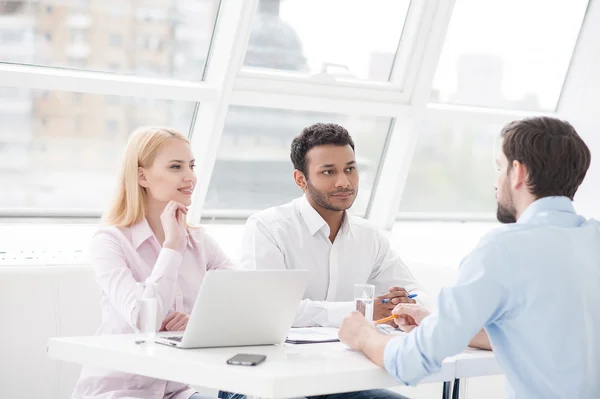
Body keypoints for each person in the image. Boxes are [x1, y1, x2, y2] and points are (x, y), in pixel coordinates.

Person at [338, 116, 600, 398]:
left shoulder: (503, 250)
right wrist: (434, 323)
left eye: (499, 168)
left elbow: (411, 362)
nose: (496, 182)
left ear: (518, 172)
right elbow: (539, 335)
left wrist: (363, 335)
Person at [72, 127, 231, 399]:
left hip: (176, 391)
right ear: (142, 176)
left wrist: (199, 323)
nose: (190, 177)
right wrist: (172, 247)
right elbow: (145, 320)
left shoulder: (199, 241)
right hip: (119, 392)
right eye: (175, 167)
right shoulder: (110, 242)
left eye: (191, 166)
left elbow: (241, 299)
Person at [240, 122, 431, 328]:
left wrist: (406, 303)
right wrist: (362, 310)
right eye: (329, 172)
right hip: (287, 357)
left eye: (350, 169)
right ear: (301, 179)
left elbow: (416, 293)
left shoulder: (369, 236)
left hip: (355, 352)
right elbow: (268, 308)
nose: (344, 182)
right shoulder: (268, 229)